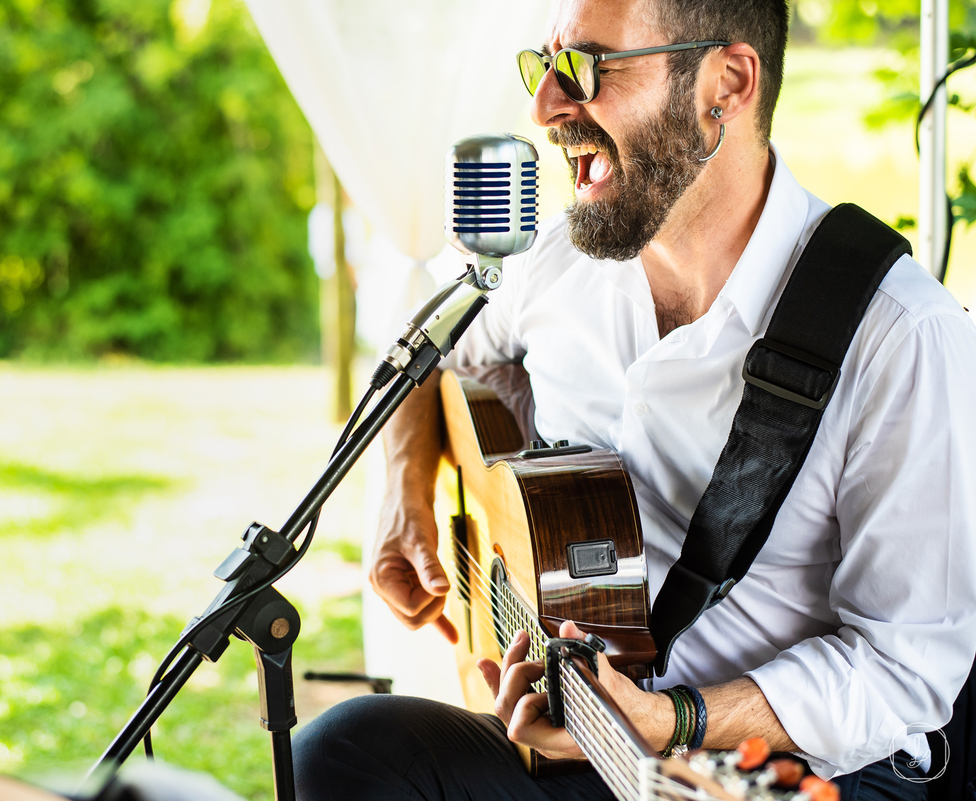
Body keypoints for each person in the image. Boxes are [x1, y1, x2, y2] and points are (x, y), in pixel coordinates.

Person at [293, 0, 976, 799]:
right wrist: (405, 496)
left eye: (587, 67)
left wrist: (671, 718)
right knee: (344, 754)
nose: (546, 104)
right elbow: (429, 352)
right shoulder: (555, 262)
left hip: (793, 772)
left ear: (725, 82)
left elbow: (902, 670)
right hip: (592, 748)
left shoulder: (900, 335)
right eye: (544, 65)